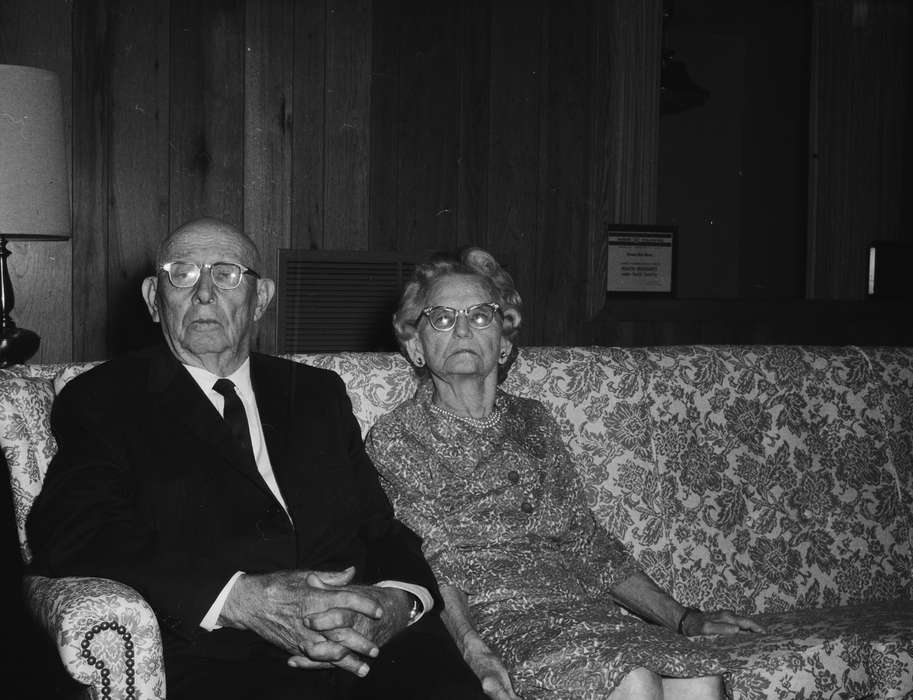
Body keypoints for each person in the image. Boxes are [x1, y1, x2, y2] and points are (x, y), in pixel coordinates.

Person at [26, 218, 487, 700]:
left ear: (261, 299)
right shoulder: (104, 398)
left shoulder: (315, 393)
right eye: (181, 273)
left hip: (366, 642)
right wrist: (239, 599)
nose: (204, 293)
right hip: (226, 654)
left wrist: (397, 601)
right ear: (152, 298)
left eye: (226, 275)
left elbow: (379, 526)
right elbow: (73, 529)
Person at [364, 247, 765, 700]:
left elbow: (587, 541)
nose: (461, 329)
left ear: (505, 339)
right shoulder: (400, 437)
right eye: (440, 318)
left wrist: (685, 619)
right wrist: (473, 650)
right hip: (498, 622)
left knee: (701, 681)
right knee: (635, 682)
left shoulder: (534, 420)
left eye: (480, 316)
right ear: (416, 346)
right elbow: (432, 560)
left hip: (585, 613)